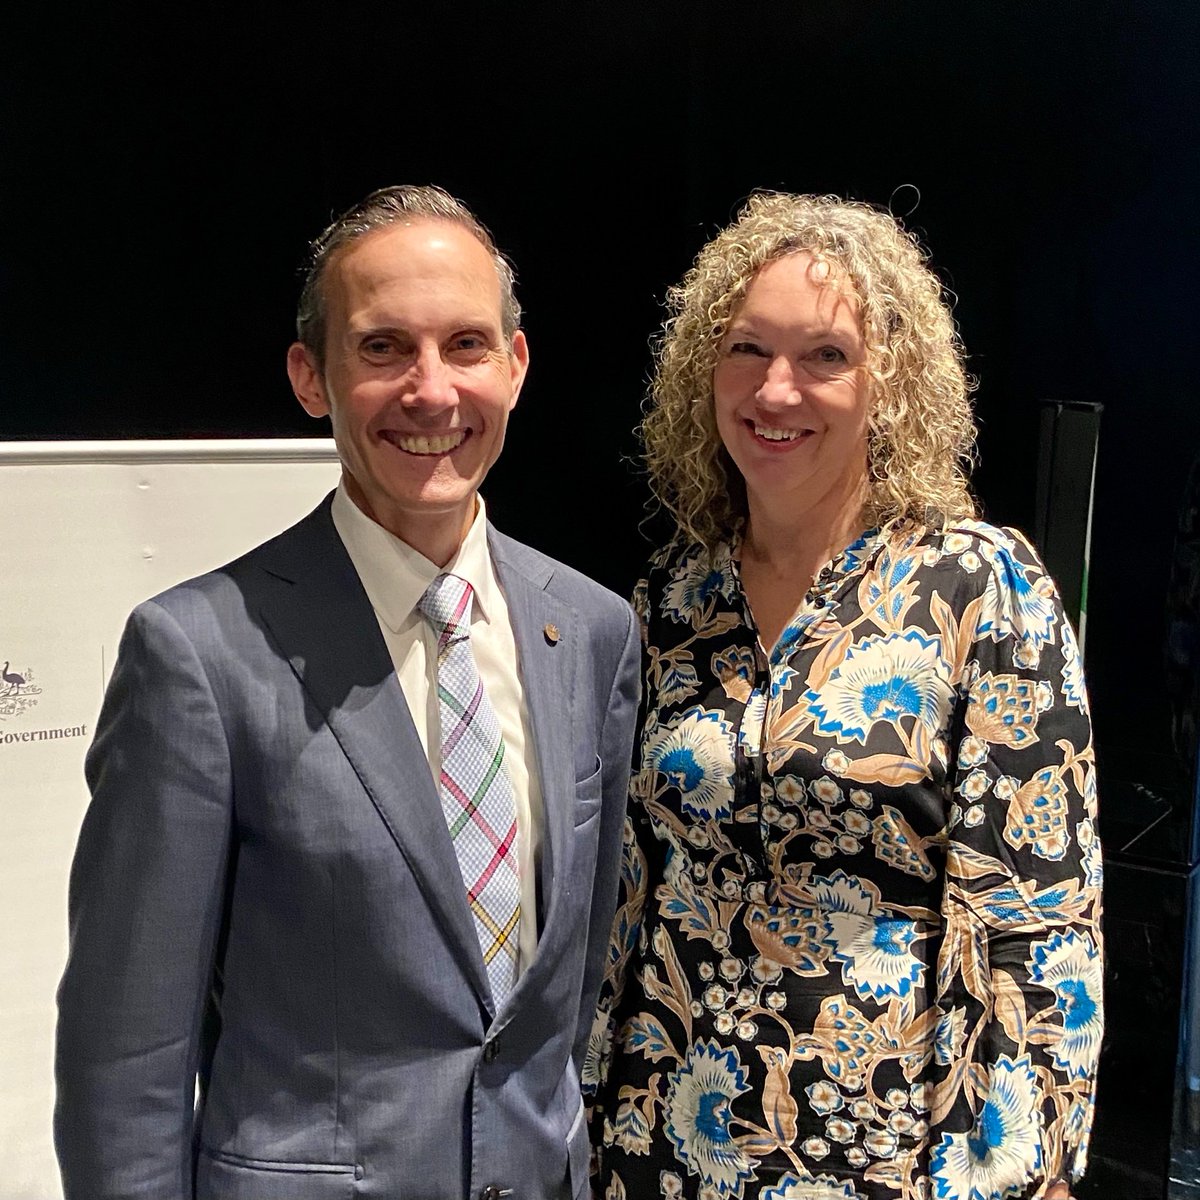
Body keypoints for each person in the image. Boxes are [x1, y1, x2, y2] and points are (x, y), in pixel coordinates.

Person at [54, 185, 640, 1199]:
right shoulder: (199, 654)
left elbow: (565, 998)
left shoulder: (590, 630)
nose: (431, 390)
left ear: (516, 364)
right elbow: (126, 1062)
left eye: (465, 344)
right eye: (381, 349)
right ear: (309, 377)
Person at [586, 193, 1100, 1200]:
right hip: (662, 1143)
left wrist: (1012, 1177)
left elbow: (1038, 932)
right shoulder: (672, 604)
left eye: (826, 356)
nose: (778, 390)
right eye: (747, 351)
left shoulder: (978, 589)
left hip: (888, 1163)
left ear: (890, 386)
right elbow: (627, 904)